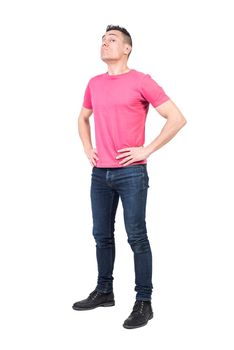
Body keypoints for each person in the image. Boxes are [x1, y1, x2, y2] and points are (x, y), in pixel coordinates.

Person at [72, 24, 187, 329]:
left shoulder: (141, 81)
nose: (104, 43)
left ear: (127, 48)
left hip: (132, 173)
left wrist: (146, 149)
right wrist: (88, 147)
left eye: (112, 40)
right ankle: (104, 291)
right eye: (102, 40)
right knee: (101, 235)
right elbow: (82, 118)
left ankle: (144, 302)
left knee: (136, 237)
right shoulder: (94, 83)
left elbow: (177, 118)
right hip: (100, 174)